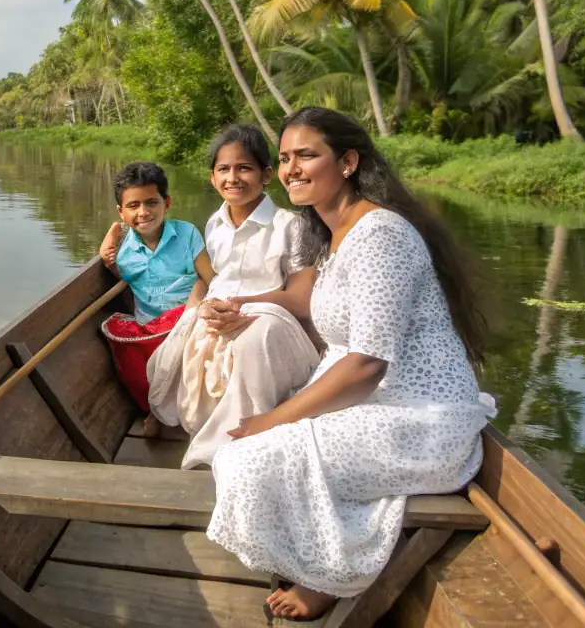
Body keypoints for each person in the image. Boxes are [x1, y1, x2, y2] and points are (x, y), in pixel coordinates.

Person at [206, 107, 495, 621]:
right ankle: (322, 549)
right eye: (285, 158)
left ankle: (327, 574)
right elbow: (340, 346)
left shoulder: (381, 235)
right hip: (377, 405)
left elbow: (365, 364)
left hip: (420, 421)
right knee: (238, 452)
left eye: (306, 155)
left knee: (250, 458)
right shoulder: (331, 236)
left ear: (347, 162)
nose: (292, 168)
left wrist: (274, 419)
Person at [145, 125, 321, 469]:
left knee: (250, 342)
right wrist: (198, 309)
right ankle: (170, 417)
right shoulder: (214, 224)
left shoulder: (292, 226)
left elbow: (300, 300)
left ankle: (234, 443)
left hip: (272, 321)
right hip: (222, 314)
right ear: (212, 178)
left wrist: (241, 305)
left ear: (267, 175)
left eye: (244, 168)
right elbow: (212, 279)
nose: (233, 178)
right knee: (174, 344)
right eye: (223, 170)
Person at [98, 161, 214, 438]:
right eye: (133, 206)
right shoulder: (124, 253)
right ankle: (158, 407)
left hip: (190, 320)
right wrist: (107, 257)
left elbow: (211, 278)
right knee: (130, 363)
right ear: (121, 212)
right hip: (150, 329)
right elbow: (123, 280)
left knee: (193, 354)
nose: (143, 212)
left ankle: (171, 411)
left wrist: (195, 311)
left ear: (167, 203)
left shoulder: (186, 234)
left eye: (151, 202)